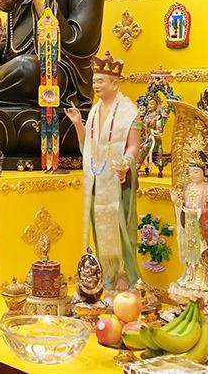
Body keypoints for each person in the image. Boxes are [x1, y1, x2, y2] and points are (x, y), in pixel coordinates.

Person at [65, 51, 142, 290]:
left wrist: (125, 162)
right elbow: (87, 147)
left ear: (115, 83)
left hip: (118, 180)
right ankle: (107, 275)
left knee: (121, 229)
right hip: (97, 180)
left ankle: (126, 276)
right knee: (99, 228)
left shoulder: (129, 112)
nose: (95, 85)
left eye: (100, 81)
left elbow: (134, 146)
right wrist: (78, 123)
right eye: (94, 81)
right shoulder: (95, 110)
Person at [170, 152, 208, 294]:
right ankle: (189, 276)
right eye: (191, 172)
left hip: (201, 227)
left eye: (196, 171)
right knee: (190, 251)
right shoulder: (189, 187)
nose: (192, 175)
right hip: (190, 225)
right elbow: (185, 205)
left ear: (205, 172)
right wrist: (178, 202)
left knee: (200, 251)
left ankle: (203, 278)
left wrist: (198, 211)